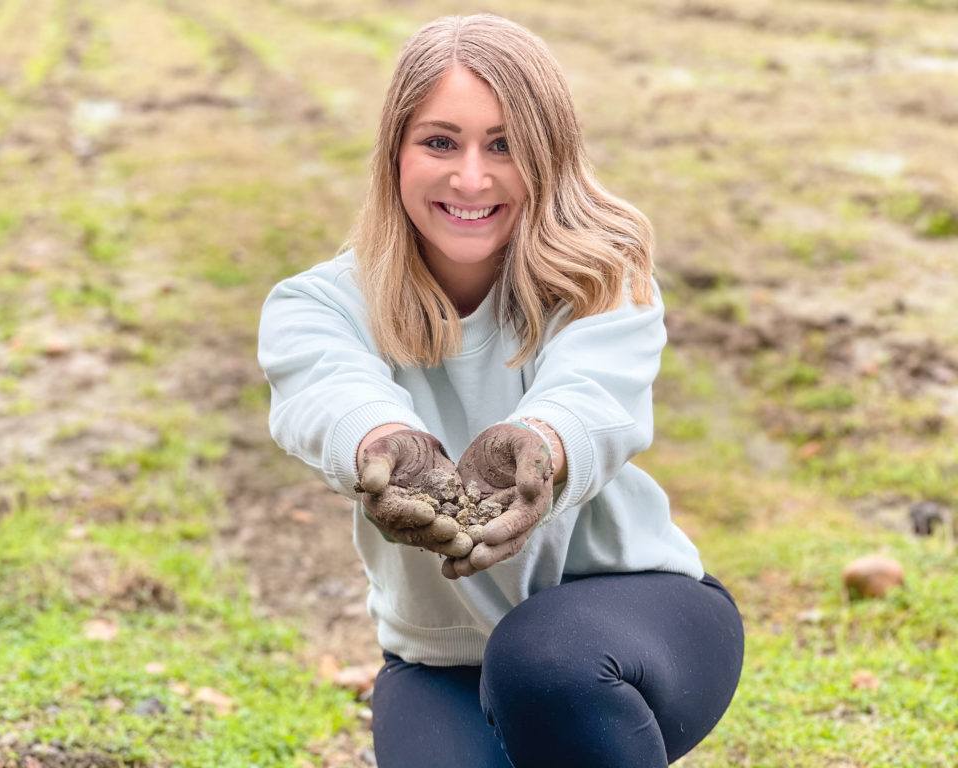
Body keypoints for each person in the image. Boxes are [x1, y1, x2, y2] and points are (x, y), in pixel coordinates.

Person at [257, 13, 745, 768]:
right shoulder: (316, 304)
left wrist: (539, 447)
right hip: (440, 662)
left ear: (548, 156)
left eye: (505, 145)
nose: (472, 178)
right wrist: (388, 446)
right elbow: (327, 392)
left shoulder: (602, 279)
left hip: (636, 619)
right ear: (395, 153)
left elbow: (594, 397)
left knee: (543, 663)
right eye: (440, 141)